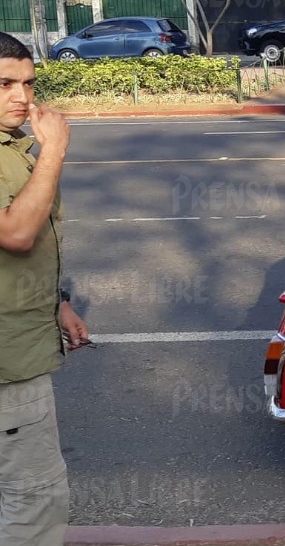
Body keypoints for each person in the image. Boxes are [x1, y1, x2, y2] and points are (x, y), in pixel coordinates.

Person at [0, 32, 89, 546]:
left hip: (22, 337)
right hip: (8, 362)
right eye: (5, 84)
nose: (22, 96)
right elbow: (16, 234)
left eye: (29, 83)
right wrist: (54, 148)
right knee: (35, 500)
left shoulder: (12, 148)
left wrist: (57, 304)